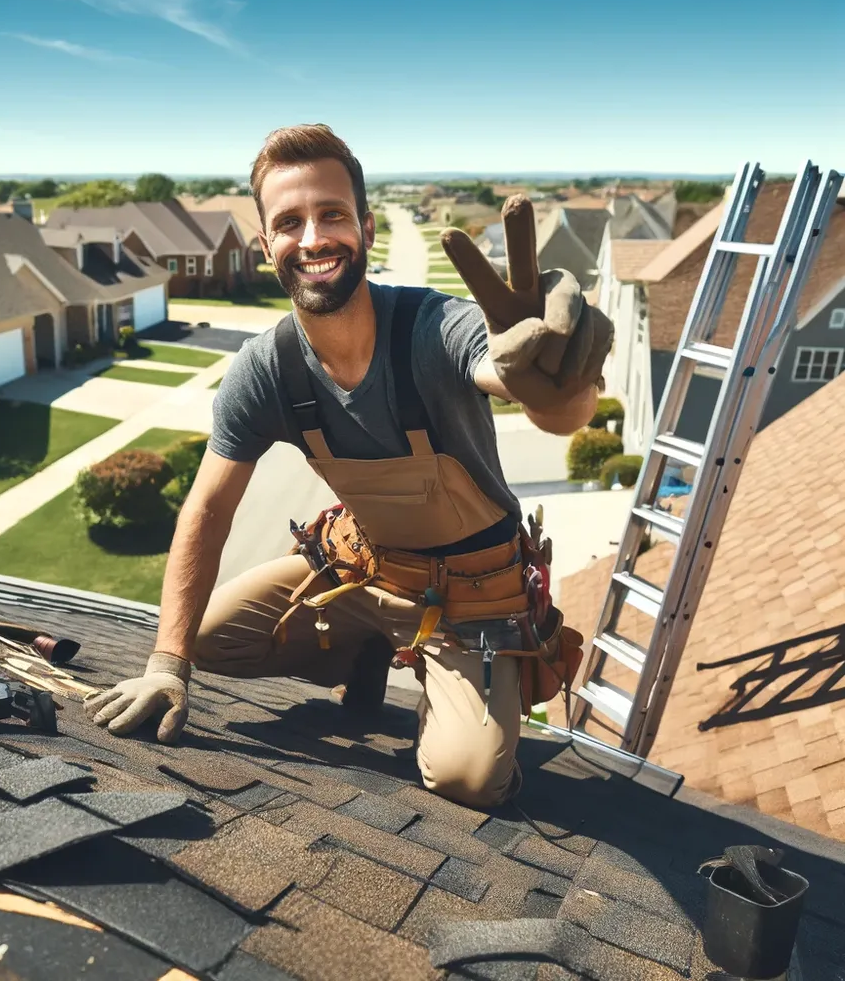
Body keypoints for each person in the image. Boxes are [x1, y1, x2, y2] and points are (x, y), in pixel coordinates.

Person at [84, 124, 613, 808]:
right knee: (210, 641)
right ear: (266, 244)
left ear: (363, 226)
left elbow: (519, 383)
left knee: (470, 779)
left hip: (472, 603)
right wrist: (165, 666)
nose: (312, 238)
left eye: (331, 214)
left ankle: (439, 679)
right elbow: (208, 509)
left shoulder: (430, 330)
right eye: (289, 222)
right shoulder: (265, 369)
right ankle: (361, 648)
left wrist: (559, 387)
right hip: (359, 572)